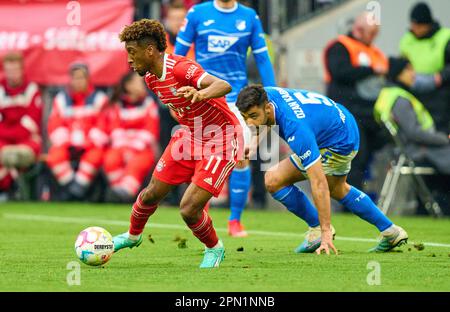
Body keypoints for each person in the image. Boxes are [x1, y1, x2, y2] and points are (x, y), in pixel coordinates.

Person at [112, 19, 243, 268]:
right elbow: (177, 105)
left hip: (221, 139)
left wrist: (200, 93)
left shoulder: (181, 68)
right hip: (190, 137)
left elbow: (224, 85)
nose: (128, 60)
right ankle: (132, 236)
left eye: (131, 52)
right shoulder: (151, 78)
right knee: (150, 194)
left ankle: (214, 248)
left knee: (189, 208)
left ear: (149, 50)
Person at [236, 85, 408, 254]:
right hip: (342, 122)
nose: (249, 123)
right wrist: (253, 145)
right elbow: (264, 121)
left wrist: (326, 234)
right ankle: (390, 231)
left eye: (253, 116)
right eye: (245, 118)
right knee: (338, 189)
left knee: (275, 180)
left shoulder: (296, 129)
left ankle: (319, 230)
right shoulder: (267, 95)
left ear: (267, 108)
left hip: (338, 143)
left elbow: (318, 183)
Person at [175, 0, 276, 237]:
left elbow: (262, 58)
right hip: (204, 95)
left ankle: (235, 221)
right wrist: (173, 93)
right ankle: (202, 215)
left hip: (236, 99)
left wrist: (274, 94)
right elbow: (177, 57)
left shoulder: (249, 17)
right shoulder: (197, 13)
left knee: (241, 156)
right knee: (204, 158)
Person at [374, 57, 450, 213]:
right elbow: (413, 132)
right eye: (408, 69)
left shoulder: (388, 94)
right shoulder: (400, 98)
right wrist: (443, 139)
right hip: (416, 149)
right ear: (398, 74)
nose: (413, 74)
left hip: (405, 149)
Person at [323, 12, 388, 193]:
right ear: (359, 29)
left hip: (369, 113)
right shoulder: (340, 46)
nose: (373, 37)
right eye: (371, 33)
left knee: (366, 155)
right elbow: (340, 72)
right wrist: (370, 70)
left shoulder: (374, 51)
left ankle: (357, 194)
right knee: (354, 155)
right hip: (346, 111)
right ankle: (347, 198)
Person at [95, 72, 160, 203]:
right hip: (120, 147)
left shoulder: (148, 103)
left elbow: (151, 129)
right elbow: (114, 128)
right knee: (110, 159)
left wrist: (133, 147)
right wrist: (125, 148)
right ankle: (118, 191)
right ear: (128, 86)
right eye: (140, 82)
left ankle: (126, 193)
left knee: (137, 163)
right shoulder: (117, 105)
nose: (144, 85)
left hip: (143, 149)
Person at [46, 63, 108, 200]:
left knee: (95, 156)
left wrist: (87, 142)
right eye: (75, 78)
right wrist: (69, 142)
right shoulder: (61, 99)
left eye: (81, 78)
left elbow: (103, 126)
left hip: (91, 145)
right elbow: (54, 125)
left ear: (88, 79)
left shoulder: (100, 99)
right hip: (67, 144)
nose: (78, 81)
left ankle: (76, 191)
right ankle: (73, 189)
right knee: (55, 156)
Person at [399, 2, 450, 133]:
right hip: (416, 92)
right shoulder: (407, 40)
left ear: (426, 24)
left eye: (417, 25)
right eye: (412, 24)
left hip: (441, 90)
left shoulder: (445, 36)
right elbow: (402, 64)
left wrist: (441, 77)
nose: (414, 28)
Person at [0, 52, 42, 199]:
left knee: (19, 154)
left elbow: (31, 124)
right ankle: (7, 190)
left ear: (22, 70)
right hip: (3, 141)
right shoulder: (0, 90)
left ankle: (16, 190)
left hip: (26, 141)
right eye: (8, 71)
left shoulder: (31, 90)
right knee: (5, 153)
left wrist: (7, 130)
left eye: (15, 70)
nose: (12, 74)